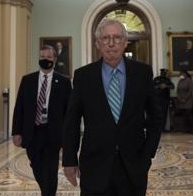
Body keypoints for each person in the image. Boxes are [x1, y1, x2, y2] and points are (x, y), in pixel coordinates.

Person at [62, 19, 162, 196]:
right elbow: (72, 121)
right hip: (94, 166)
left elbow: (156, 116)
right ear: (98, 44)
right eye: (105, 38)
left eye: (116, 38)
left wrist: (148, 154)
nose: (111, 43)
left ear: (125, 43)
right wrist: (69, 159)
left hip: (134, 166)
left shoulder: (143, 73)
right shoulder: (83, 76)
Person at [11, 45, 72, 196]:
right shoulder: (28, 80)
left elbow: (68, 112)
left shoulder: (63, 82)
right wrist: (16, 132)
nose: (45, 60)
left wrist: (67, 138)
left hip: (53, 133)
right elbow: (19, 107)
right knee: (37, 166)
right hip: (32, 132)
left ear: (55, 60)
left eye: (49, 57)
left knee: (50, 169)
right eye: (42, 57)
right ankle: (47, 191)